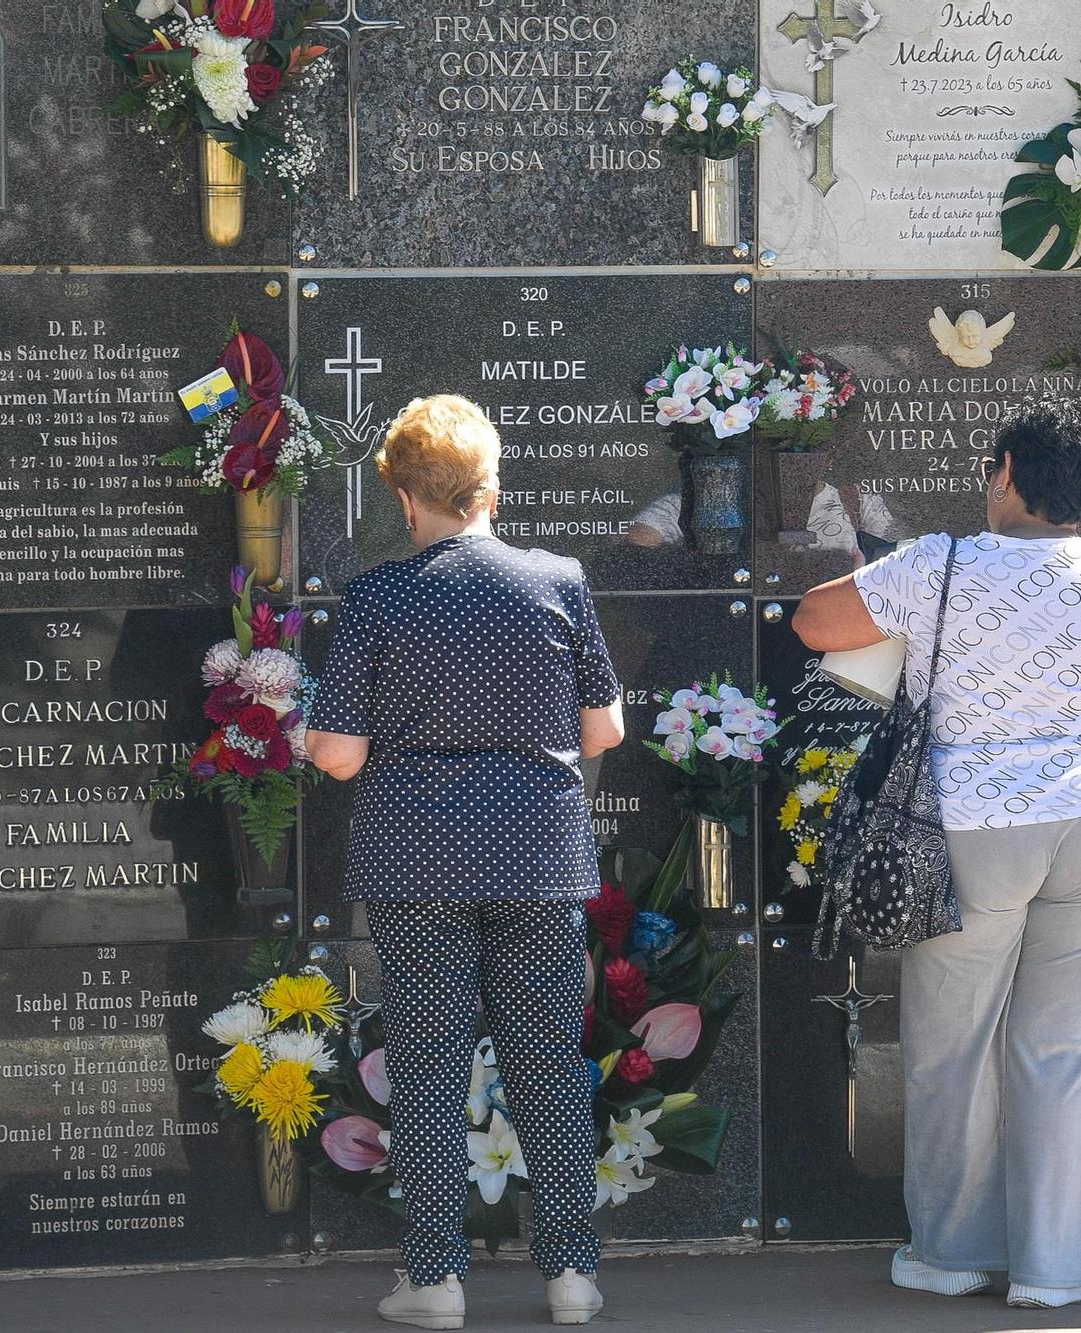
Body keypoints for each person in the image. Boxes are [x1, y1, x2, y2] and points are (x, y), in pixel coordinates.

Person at [790, 396, 1081, 1309]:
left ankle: (952, 1250)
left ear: (1003, 471)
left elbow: (813, 623)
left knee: (952, 1048)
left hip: (977, 822)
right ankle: (1056, 1268)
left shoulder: (939, 561)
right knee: (1063, 1051)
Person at [307, 394, 626, 1330]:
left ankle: (436, 1281)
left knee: (430, 1062)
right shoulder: (558, 580)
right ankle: (571, 1275)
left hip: (416, 862)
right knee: (548, 1065)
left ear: (407, 499)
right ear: (493, 487)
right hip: (538, 856)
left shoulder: (377, 596)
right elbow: (603, 726)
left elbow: (340, 753)